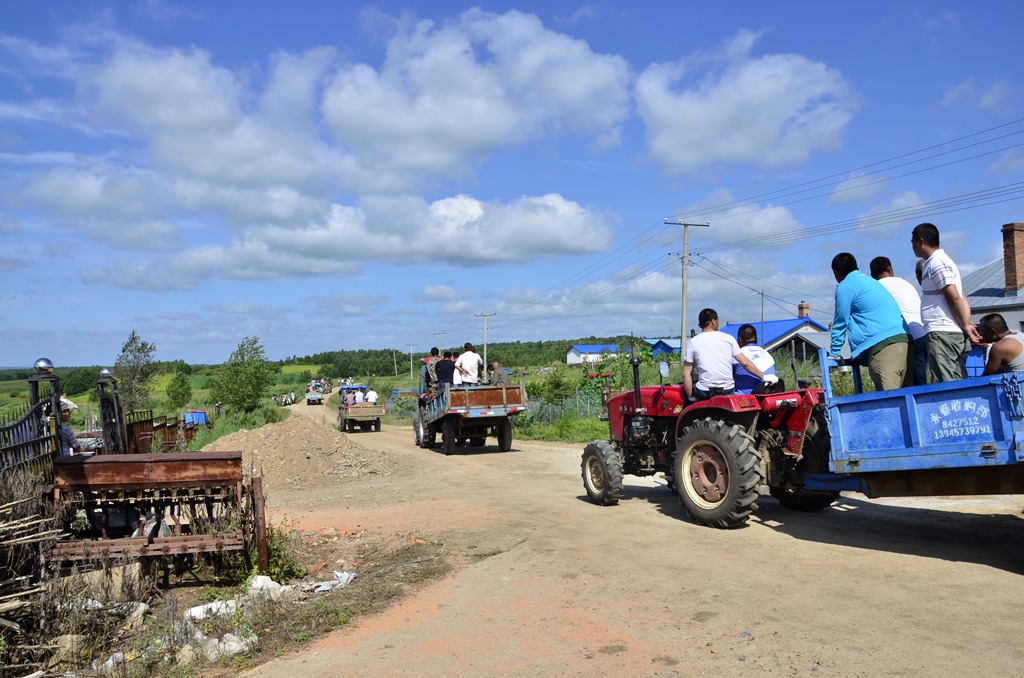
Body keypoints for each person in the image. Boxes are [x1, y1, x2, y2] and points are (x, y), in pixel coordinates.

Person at [830, 252, 912, 390]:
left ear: (836, 273)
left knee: (890, 402)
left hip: (883, 346)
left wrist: (834, 353)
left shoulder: (846, 286)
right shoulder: (871, 282)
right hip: (905, 341)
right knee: (908, 399)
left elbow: (840, 321)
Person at [911, 222, 981, 381]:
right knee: (950, 379)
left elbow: (954, 296)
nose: (912, 247)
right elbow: (960, 296)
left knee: (946, 383)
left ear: (920, 241)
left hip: (942, 331)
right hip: (945, 331)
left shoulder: (937, 262)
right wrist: (966, 322)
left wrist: (964, 324)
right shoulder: (936, 261)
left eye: (912, 242)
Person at [684, 308, 776, 401]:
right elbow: (745, 363)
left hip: (705, 391)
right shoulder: (728, 339)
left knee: (685, 392)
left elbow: (686, 374)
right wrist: (764, 377)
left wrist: (691, 396)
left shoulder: (693, 342)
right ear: (713, 322)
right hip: (727, 390)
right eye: (718, 320)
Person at [870, 256, 928, 386]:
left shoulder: (875, 288)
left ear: (872, 275)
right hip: (923, 333)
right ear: (890, 269)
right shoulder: (905, 283)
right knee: (920, 380)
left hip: (908, 337)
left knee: (912, 385)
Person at [732, 324, 777, 395]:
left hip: (745, 398)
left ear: (740, 339)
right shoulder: (768, 355)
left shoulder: (738, 355)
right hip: (766, 395)